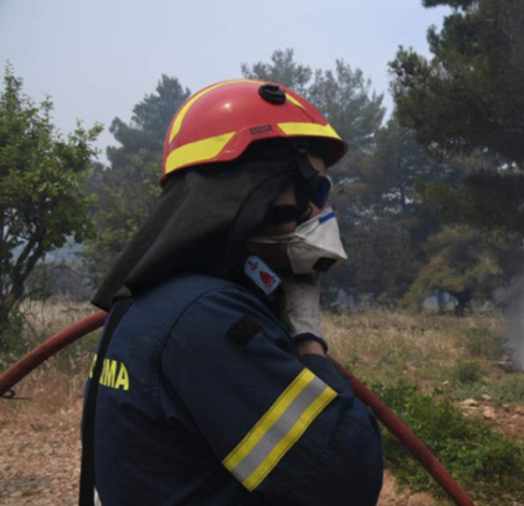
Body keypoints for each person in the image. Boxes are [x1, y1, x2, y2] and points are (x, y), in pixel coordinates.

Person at [81, 80, 383, 505]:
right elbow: (346, 478)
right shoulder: (207, 319)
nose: (321, 211)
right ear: (252, 187)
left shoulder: (149, 302)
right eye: (314, 189)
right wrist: (307, 339)